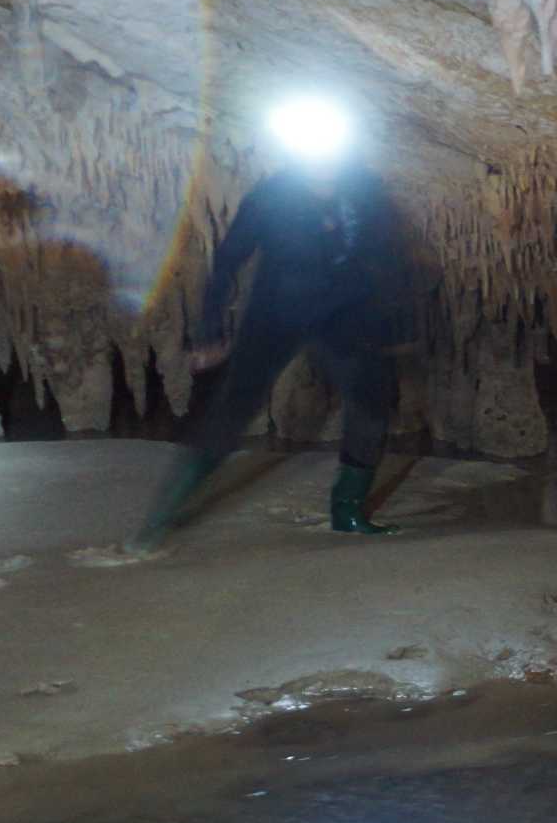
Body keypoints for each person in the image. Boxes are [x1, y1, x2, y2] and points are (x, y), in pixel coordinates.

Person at [132, 154, 416, 550]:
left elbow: (383, 254)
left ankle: (347, 511)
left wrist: (392, 316)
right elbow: (229, 258)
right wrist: (211, 326)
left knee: (371, 401)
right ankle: (161, 517)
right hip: (276, 313)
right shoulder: (272, 195)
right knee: (233, 408)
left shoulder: (362, 191)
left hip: (344, 314)